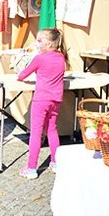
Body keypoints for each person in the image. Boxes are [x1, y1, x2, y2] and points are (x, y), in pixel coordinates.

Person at [16, 28, 66, 179]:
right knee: (52, 130)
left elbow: (22, 75)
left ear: (49, 43)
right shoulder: (61, 57)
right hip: (56, 99)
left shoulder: (40, 58)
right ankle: (56, 162)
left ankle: (31, 168)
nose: (37, 44)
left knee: (36, 133)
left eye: (39, 41)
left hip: (41, 99)